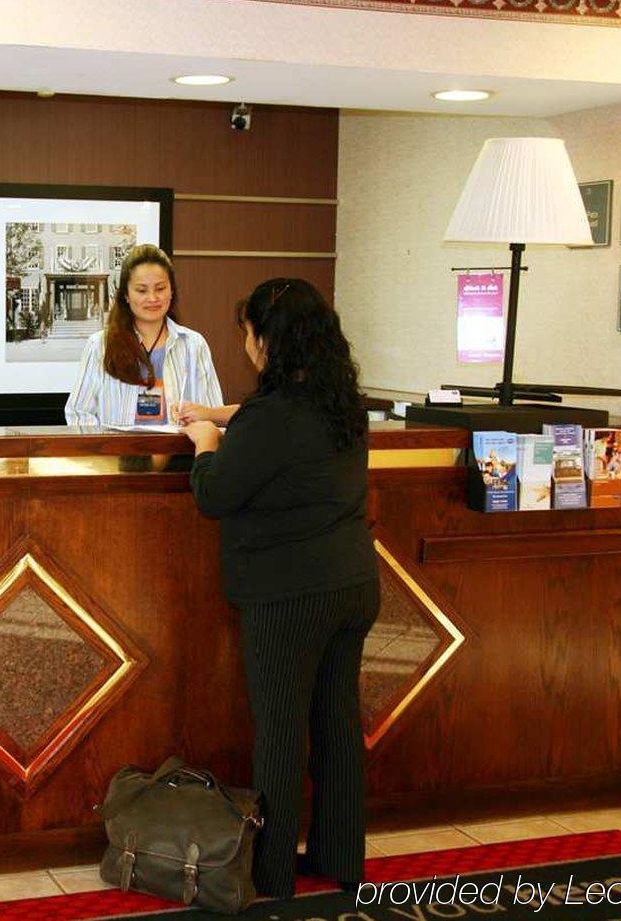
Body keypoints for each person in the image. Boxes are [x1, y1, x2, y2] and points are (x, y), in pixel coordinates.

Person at [179, 278, 378, 899]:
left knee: (282, 732)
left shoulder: (272, 418)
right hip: (351, 584)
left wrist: (206, 443)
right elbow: (273, 426)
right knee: (338, 725)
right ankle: (341, 857)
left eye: (248, 332)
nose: (246, 344)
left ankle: (272, 872)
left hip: (289, 596)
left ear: (267, 340)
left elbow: (214, 494)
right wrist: (221, 413)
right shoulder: (341, 402)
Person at [63, 244, 222, 426]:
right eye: (142, 290)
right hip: (118, 452)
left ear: (172, 291)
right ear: (126, 295)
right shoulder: (100, 345)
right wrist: (108, 451)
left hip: (180, 453)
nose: (153, 298)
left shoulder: (193, 345)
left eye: (160, 288)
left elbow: (213, 414)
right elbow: (79, 413)